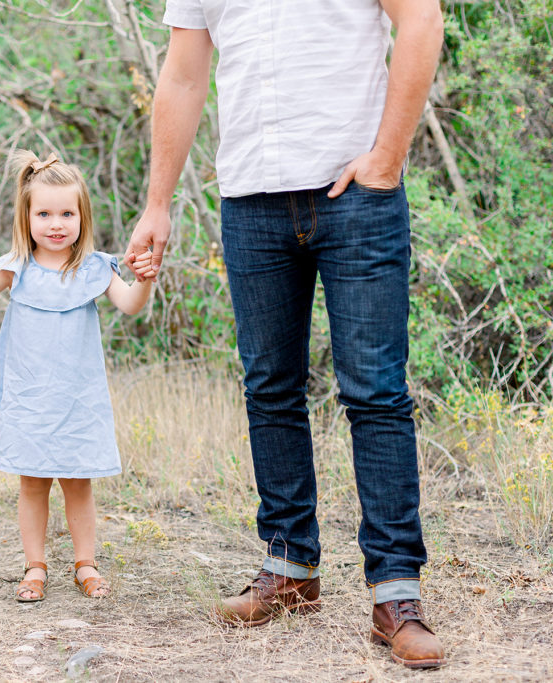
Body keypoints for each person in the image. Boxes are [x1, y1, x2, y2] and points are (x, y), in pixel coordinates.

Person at [124, 0, 446, 669]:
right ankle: (290, 565)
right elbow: (184, 75)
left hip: (356, 193)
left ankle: (396, 594)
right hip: (250, 199)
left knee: (375, 391)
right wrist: (157, 204)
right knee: (270, 386)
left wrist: (388, 156)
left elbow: (421, 17)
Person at [0, 151, 154, 601]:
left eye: (66, 213)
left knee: (79, 483)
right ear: (27, 217)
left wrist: (147, 279)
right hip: (30, 397)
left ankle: (86, 565)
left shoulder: (95, 267)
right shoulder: (15, 267)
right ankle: (34, 568)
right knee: (33, 483)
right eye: (44, 213)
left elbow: (131, 304)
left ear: (82, 217)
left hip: (77, 399)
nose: (55, 223)